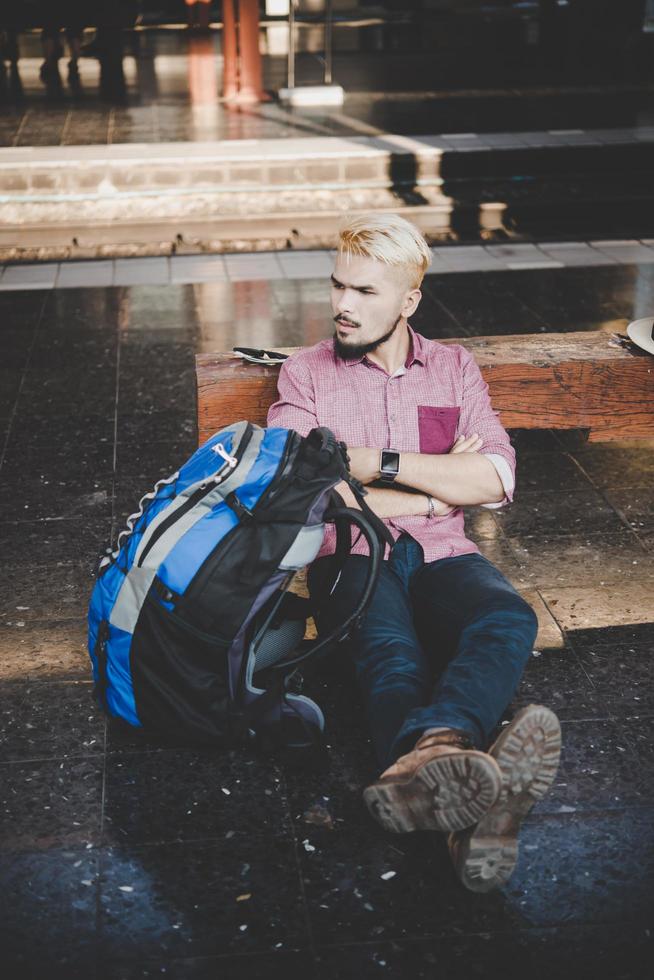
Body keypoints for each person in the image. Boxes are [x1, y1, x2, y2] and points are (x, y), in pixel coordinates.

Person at [267, 212, 562, 893]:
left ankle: (428, 765)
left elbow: (496, 477)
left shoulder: (453, 370)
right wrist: (434, 490)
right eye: (338, 285)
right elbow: (314, 496)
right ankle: (465, 788)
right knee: (391, 652)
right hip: (349, 554)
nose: (342, 304)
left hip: (441, 553)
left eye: (365, 292)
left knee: (507, 618)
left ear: (408, 301)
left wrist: (373, 462)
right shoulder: (306, 376)